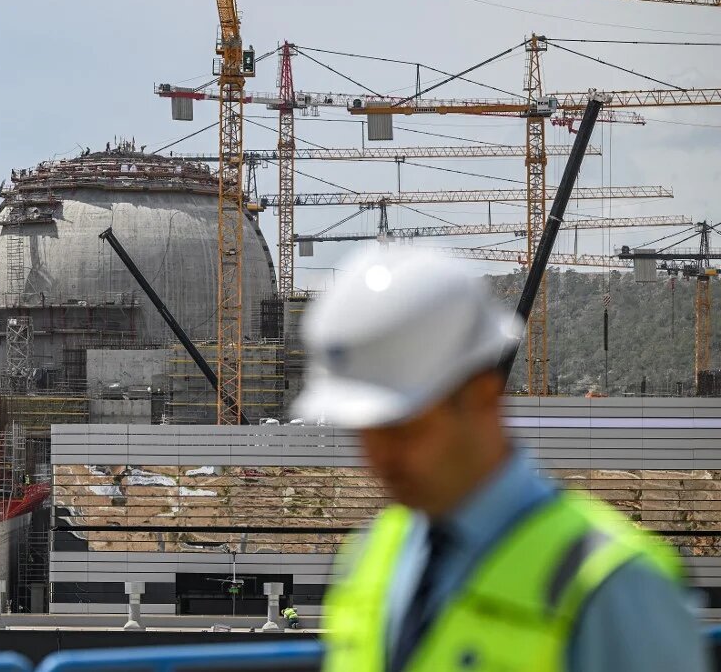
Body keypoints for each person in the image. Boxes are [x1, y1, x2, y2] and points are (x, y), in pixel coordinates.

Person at [292, 245, 708, 672]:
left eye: (402, 427)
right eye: (363, 430)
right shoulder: (372, 554)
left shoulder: (615, 585)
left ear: (482, 396)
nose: (379, 457)